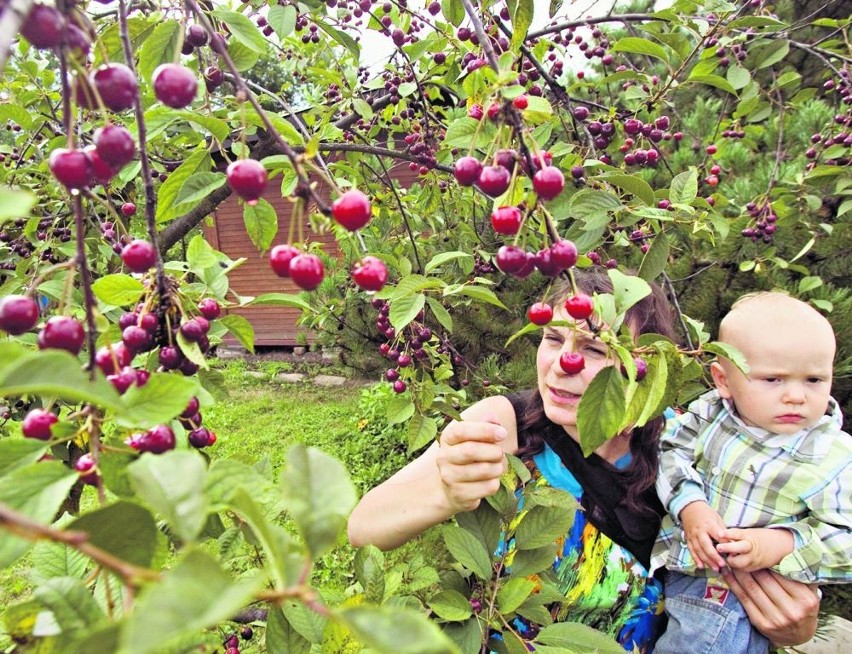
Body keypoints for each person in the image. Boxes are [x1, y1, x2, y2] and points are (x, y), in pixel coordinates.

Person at [348, 273, 821, 652]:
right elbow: (364, 527)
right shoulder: (505, 427)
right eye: (553, 339)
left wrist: (792, 624)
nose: (562, 364)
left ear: (645, 366)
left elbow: (751, 568)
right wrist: (444, 494)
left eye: (594, 349)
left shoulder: (686, 445)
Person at [654, 292, 850, 654]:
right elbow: (670, 451)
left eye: (813, 380)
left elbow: (845, 537)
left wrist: (779, 544)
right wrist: (690, 505)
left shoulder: (834, 455)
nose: (796, 396)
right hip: (678, 574)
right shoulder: (709, 415)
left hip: (738, 595)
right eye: (773, 380)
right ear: (723, 379)